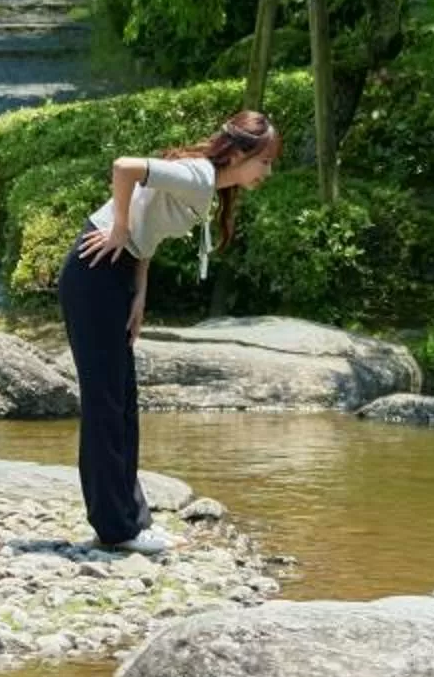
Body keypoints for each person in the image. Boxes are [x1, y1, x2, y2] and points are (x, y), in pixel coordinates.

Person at [58, 109, 279, 553]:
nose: (267, 173)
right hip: (96, 269)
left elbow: (148, 230)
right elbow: (125, 168)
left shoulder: (206, 186)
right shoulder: (199, 176)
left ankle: (130, 522)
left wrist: (139, 292)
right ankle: (115, 528)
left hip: (115, 274)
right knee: (106, 404)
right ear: (239, 153)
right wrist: (119, 228)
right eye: (265, 161)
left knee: (122, 402)